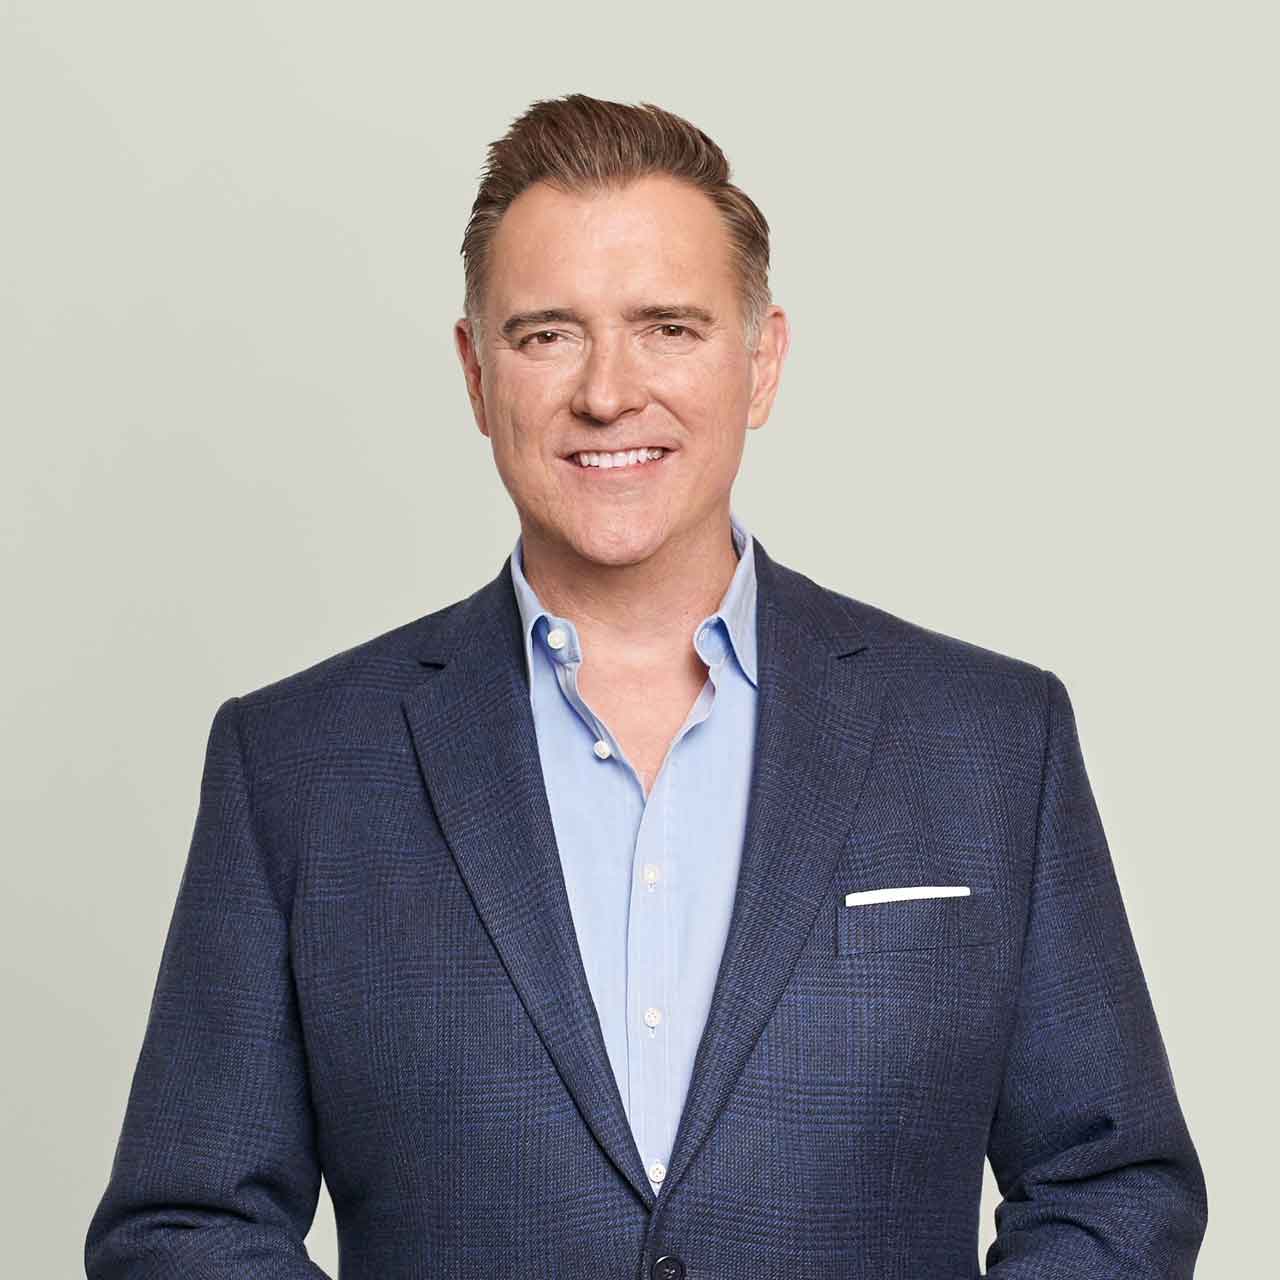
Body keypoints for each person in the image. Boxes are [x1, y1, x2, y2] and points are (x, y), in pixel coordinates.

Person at [85, 93, 1207, 1279]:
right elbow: (184, 1223)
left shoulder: (988, 741)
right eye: (546, 335)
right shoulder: (297, 763)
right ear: (475, 372)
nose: (607, 392)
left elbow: (1112, 1184)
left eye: (667, 327)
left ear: (760, 361)